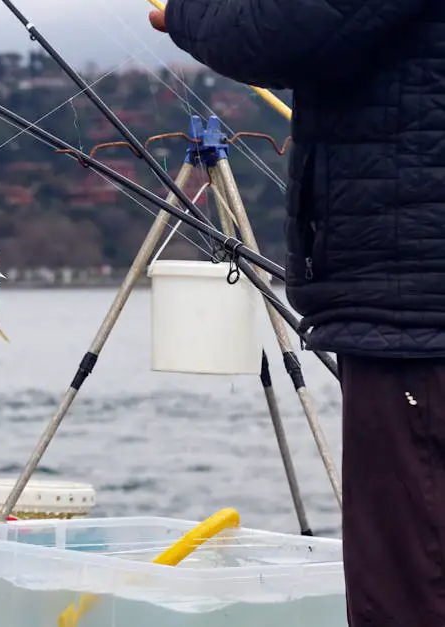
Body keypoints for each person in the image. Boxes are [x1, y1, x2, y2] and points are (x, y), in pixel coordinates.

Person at [150, 1, 442, 625]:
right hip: (411, 310)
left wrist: (186, 13)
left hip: (415, 319)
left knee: (407, 581)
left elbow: (274, 30)